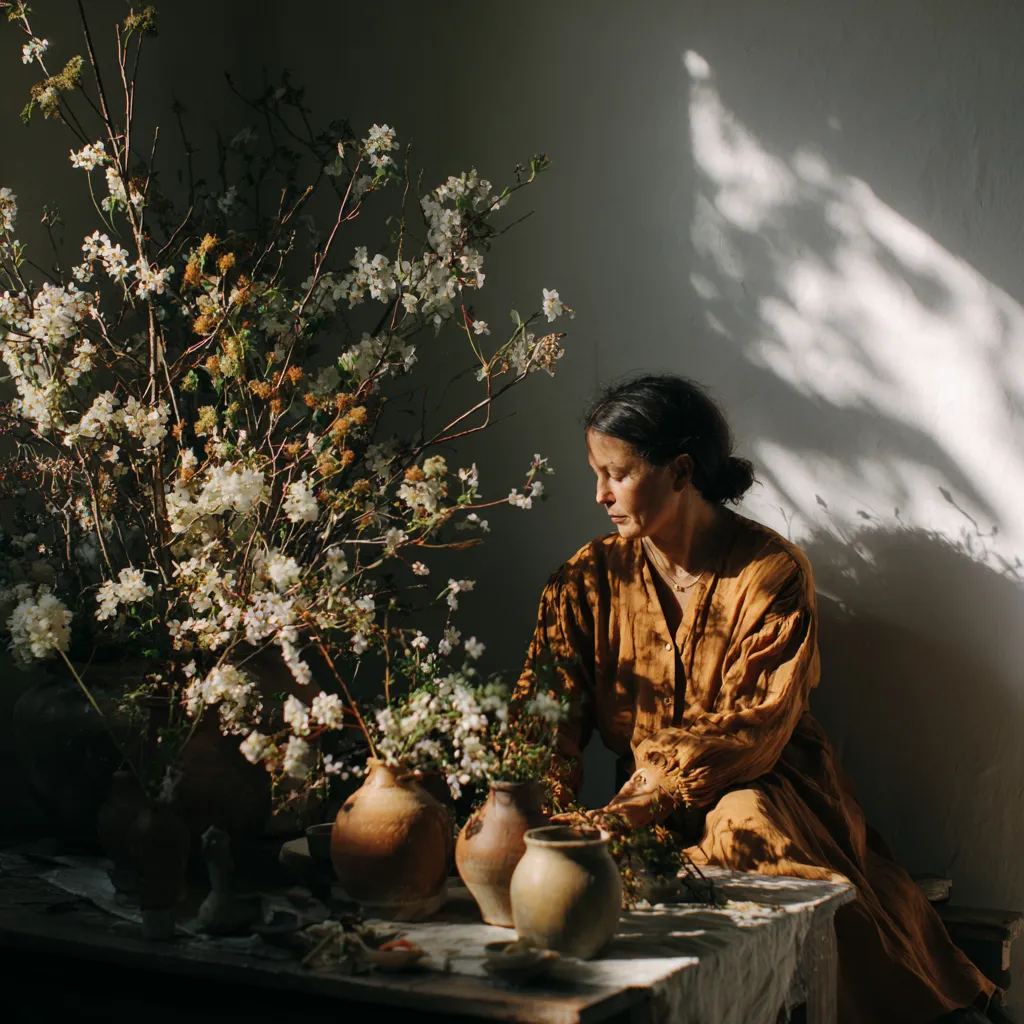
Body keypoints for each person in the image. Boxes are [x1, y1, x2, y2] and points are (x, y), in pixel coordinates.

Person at [517, 373, 1009, 1024]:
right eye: (596, 473)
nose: (600, 494)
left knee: (749, 832)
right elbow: (545, 714)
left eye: (618, 473)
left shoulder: (771, 572)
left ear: (680, 471)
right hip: (639, 808)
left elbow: (755, 725)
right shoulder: (588, 580)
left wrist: (640, 803)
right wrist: (539, 810)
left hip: (769, 789)